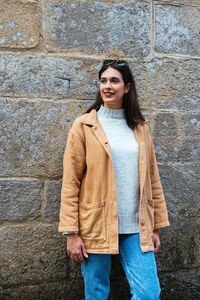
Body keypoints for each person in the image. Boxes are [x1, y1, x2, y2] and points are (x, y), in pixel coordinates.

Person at [58, 60, 170, 300]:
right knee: (97, 293)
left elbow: (153, 179)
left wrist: (155, 226)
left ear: (127, 87)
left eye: (114, 81)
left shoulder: (140, 128)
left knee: (149, 294)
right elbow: (71, 182)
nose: (107, 86)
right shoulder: (84, 126)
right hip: (94, 224)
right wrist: (71, 233)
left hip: (136, 227)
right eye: (103, 81)